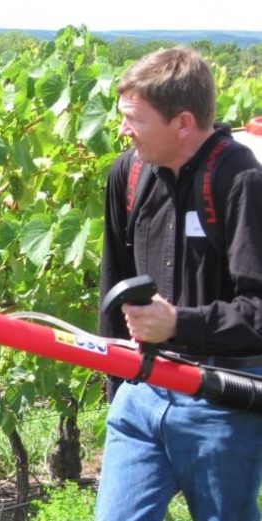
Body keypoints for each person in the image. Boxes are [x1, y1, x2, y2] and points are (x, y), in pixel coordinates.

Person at [95, 46, 262, 520]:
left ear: (183, 123)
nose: (123, 130)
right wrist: (118, 387)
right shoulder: (127, 174)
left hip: (220, 403)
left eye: (135, 119)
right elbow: (115, 286)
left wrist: (177, 324)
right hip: (142, 395)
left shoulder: (241, 181)